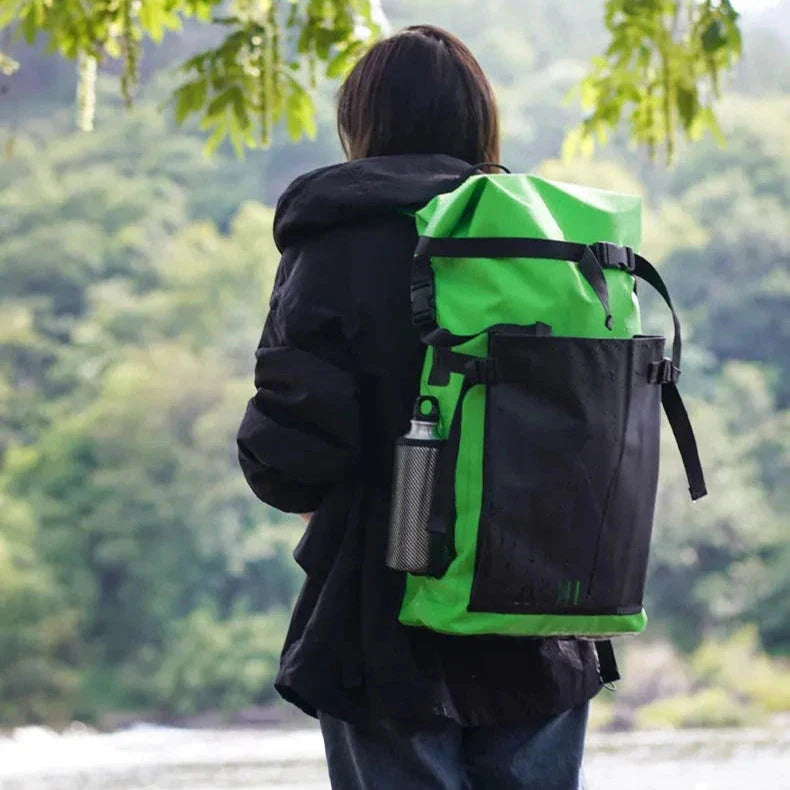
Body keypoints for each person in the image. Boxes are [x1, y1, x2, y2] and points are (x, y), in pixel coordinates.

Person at [236, 24, 601, 790]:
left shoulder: (335, 244)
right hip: (543, 606)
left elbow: (292, 457)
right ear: (480, 120)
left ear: (361, 123)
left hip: (384, 606)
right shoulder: (545, 243)